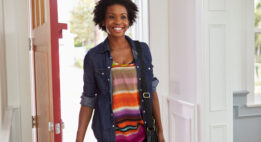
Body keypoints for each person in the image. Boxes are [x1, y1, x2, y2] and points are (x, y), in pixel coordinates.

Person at [76, 0, 165, 142]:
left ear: (129, 20)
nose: (118, 21)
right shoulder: (93, 57)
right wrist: (78, 139)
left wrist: (160, 131)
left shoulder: (142, 50)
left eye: (123, 16)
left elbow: (151, 90)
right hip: (110, 136)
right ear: (103, 21)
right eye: (112, 16)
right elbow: (88, 99)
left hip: (143, 136)